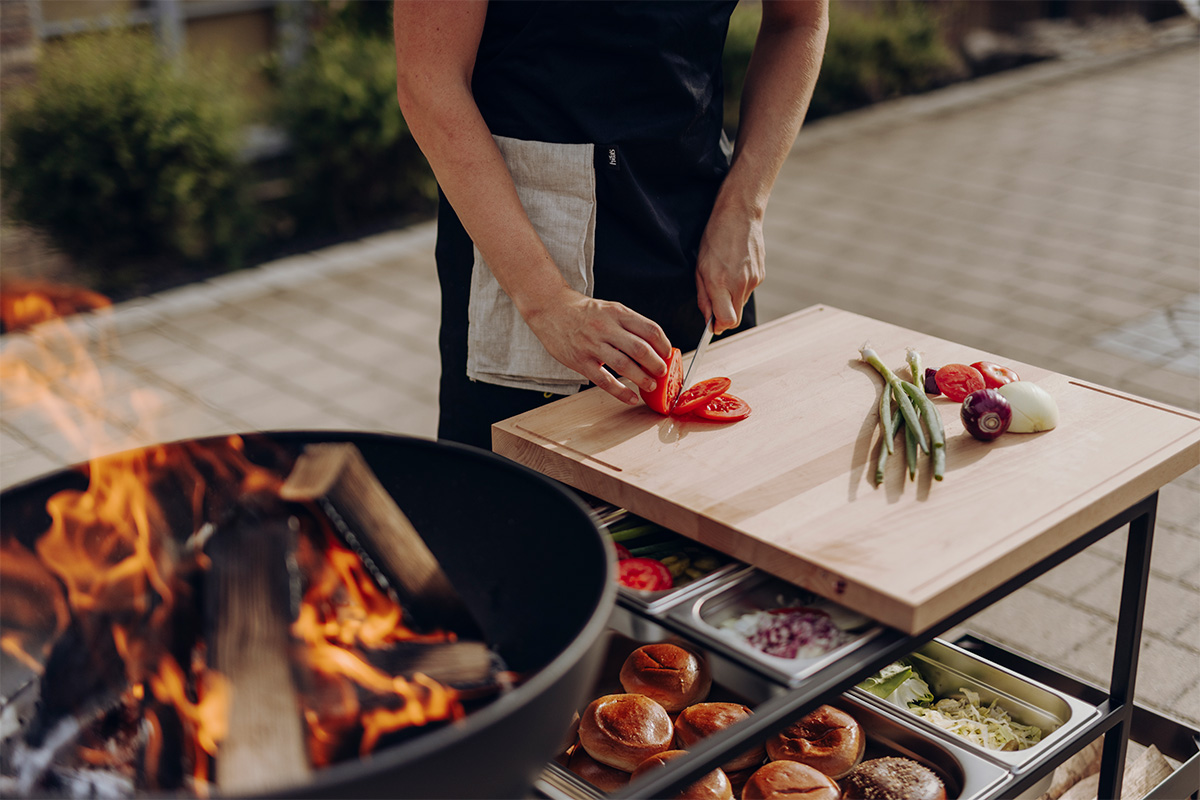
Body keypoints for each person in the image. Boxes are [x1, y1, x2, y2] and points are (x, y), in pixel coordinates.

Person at [394, 0, 828, 450]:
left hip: (699, 236)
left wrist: (746, 204)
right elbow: (430, 82)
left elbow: (798, 20)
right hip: (524, 257)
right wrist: (545, 299)